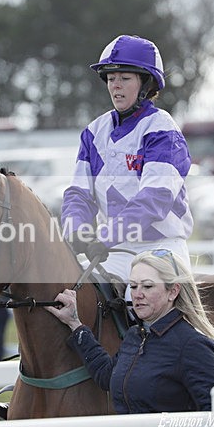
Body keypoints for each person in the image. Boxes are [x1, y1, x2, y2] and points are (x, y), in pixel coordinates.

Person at [45, 249, 214, 427]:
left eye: (148, 287)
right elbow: (108, 376)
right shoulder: (134, 336)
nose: (137, 294)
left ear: (173, 291)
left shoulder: (193, 346)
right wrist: (76, 325)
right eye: (134, 285)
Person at [61, 35, 194, 279]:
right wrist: (76, 230)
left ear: (146, 84)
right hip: (113, 252)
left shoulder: (162, 129)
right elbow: (78, 193)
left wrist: (105, 236)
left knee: (144, 299)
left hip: (160, 250)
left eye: (124, 78)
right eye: (111, 79)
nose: (115, 85)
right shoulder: (93, 132)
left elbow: (154, 198)